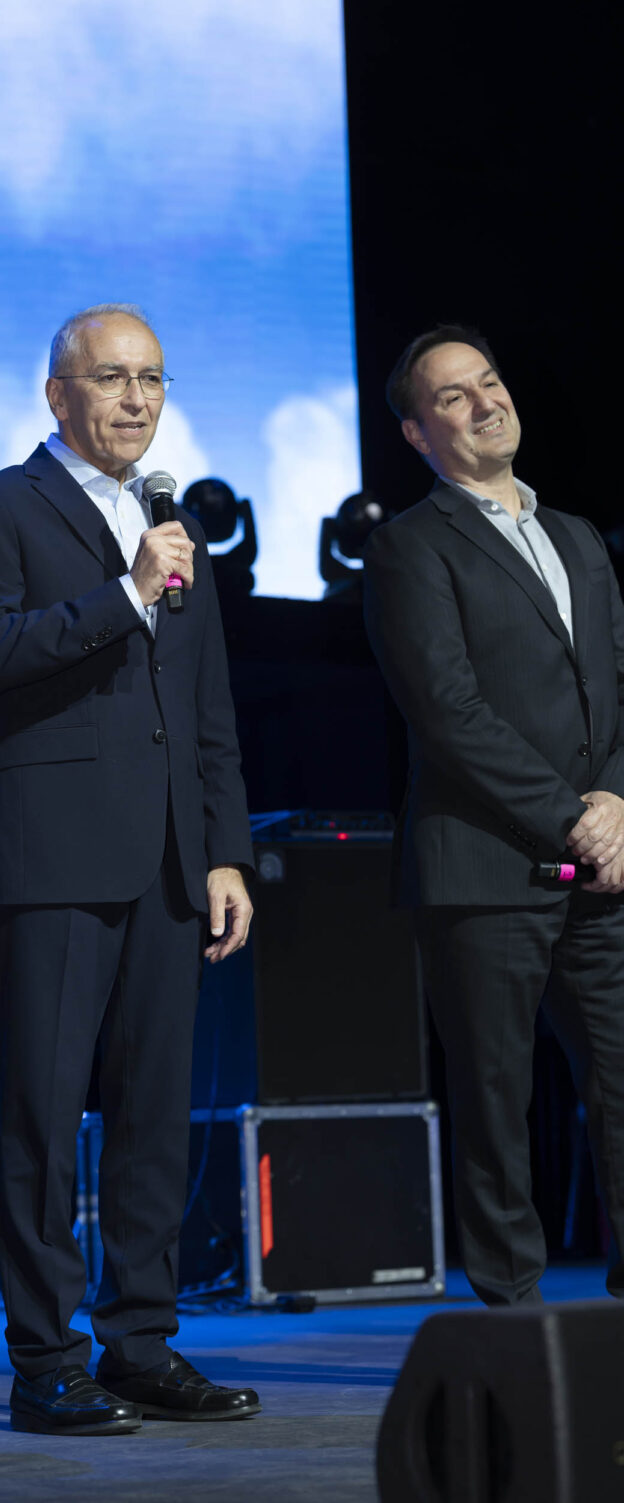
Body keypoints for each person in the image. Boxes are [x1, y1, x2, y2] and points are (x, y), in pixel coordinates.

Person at [0, 304, 260, 1435]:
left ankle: (141, 1344)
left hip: (172, 862)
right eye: (113, 378)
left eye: (153, 380)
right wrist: (124, 593)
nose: (137, 400)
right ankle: (45, 1361)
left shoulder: (173, 529)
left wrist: (225, 851)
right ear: (58, 394)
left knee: (154, 1119)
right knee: (42, 1118)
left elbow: (206, 708)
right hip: (56, 863)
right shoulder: (1, 506)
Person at [363, 325, 624, 1307]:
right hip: (482, 866)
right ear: (416, 433)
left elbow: (616, 688)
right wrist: (572, 817)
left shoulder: (577, 537)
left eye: (490, 382)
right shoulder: (409, 545)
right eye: (453, 396)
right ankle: (512, 1322)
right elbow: (448, 713)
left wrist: (618, 803)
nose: (485, 403)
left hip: (601, 865)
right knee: (494, 1102)